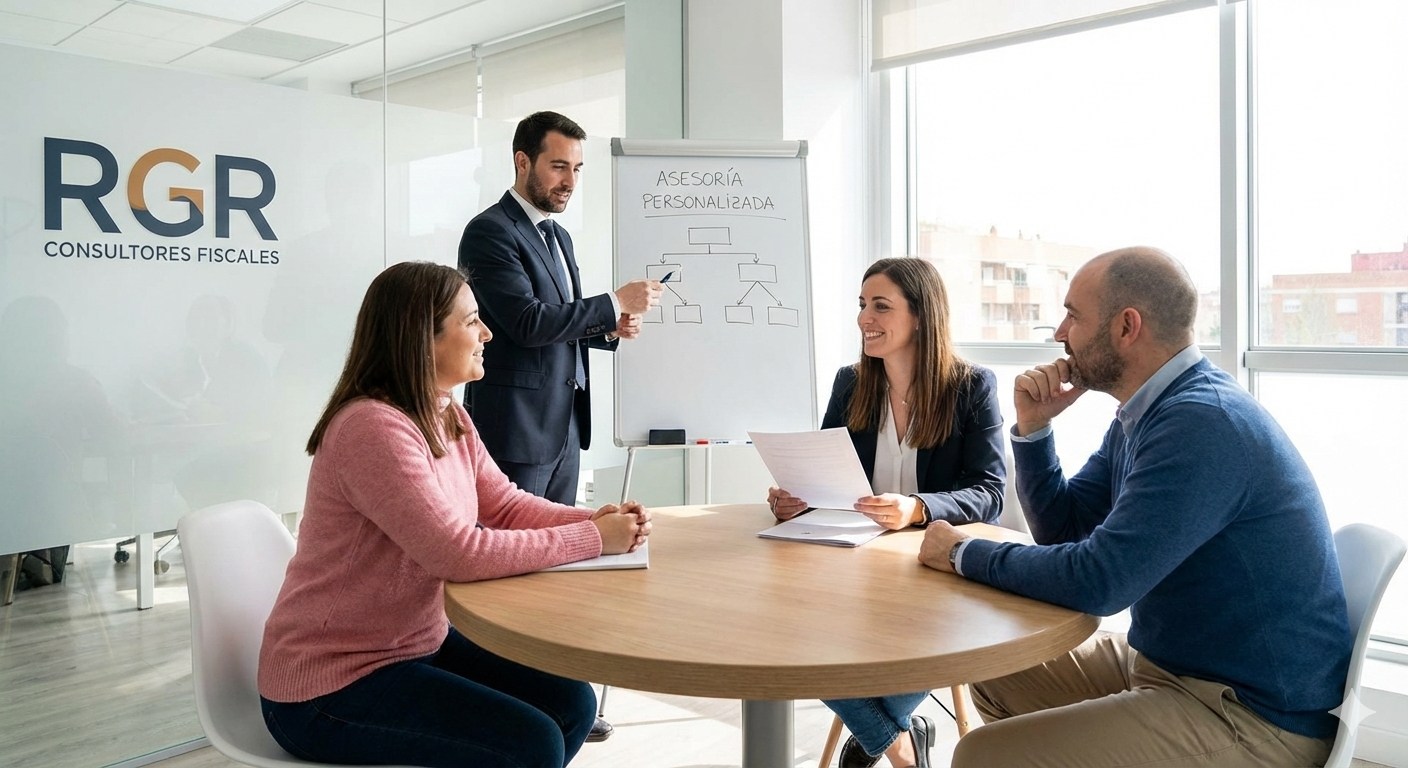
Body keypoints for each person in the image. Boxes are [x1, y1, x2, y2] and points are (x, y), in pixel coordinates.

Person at [918, 247, 1352, 768]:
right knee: (994, 668)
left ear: (1127, 327)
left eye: (1073, 316)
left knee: (983, 755)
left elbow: (1099, 582)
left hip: (1250, 713)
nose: (1060, 333)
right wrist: (1034, 429)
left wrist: (963, 553)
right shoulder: (1146, 412)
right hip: (1172, 666)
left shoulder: (1200, 423)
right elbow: (1067, 530)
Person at [257, 261, 651, 768]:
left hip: (412, 643)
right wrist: (595, 540)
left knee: (572, 704)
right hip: (329, 684)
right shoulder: (372, 429)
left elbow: (504, 504)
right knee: (532, 743)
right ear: (421, 339)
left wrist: (594, 521)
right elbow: (458, 553)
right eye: (471, 321)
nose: (487, 333)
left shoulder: (446, 411)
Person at [459, 111, 659, 741]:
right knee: (509, 569)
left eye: (577, 168)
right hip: (515, 425)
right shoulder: (489, 232)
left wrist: (608, 328)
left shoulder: (558, 237)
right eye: (558, 166)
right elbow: (524, 322)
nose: (570, 180)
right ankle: (502, 698)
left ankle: (552, 692)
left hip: (564, 425)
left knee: (560, 568)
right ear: (522, 162)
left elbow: (559, 322)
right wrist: (612, 302)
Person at [766, 257, 1006, 768]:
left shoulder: (971, 387)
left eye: (880, 306)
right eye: (861, 305)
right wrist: (794, 499)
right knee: (794, 632)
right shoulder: (851, 383)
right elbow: (824, 476)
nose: (864, 319)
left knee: (934, 631)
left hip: (932, 567)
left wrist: (917, 507)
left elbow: (990, 491)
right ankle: (901, 746)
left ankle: (879, 734)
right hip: (852, 564)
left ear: (920, 316)